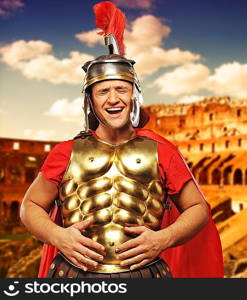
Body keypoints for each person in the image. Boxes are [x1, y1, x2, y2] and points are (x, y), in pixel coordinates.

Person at [19, 1, 223, 278]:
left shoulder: (162, 151)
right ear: (90, 100)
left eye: (121, 90)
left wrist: (164, 238)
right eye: (103, 91)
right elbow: (29, 206)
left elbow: (199, 209)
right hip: (74, 275)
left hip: (144, 274)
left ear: (134, 97)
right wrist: (57, 236)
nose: (113, 99)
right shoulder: (66, 152)